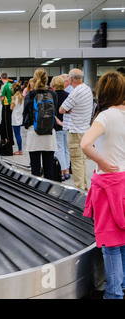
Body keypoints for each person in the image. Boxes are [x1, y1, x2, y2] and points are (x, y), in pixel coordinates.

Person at [80, 71, 125, 299]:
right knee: (124, 239)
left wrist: (103, 162)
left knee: (110, 244)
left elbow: (85, 144)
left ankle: (114, 293)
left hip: (110, 186)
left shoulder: (105, 117)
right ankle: (122, 286)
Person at [59, 68, 93, 191]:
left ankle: (79, 190)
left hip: (74, 131)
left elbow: (61, 109)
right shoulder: (87, 89)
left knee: (76, 161)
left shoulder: (76, 92)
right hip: (84, 130)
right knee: (82, 160)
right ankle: (84, 187)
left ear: (71, 79)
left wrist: (68, 109)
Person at [23, 68, 58, 180]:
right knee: (49, 168)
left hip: (34, 132)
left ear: (34, 80)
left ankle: (36, 192)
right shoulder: (53, 94)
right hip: (49, 133)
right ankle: (48, 192)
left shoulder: (31, 94)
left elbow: (26, 113)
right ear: (47, 79)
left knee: (35, 168)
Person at [51, 76, 71, 181]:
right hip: (68, 125)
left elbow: (52, 112)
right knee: (66, 149)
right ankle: (67, 170)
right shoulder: (68, 95)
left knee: (59, 149)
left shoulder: (53, 96)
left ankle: (62, 171)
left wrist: (58, 121)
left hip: (58, 125)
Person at [0, 73, 14, 155]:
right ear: (8, 77)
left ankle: (8, 141)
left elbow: (1, 98)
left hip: (6, 106)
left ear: (1, 78)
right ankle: (11, 140)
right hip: (11, 106)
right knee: (10, 124)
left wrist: (0, 92)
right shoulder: (11, 85)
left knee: (6, 124)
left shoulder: (5, 86)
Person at [10, 82, 24, 156]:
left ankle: (20, 150)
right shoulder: (21, 97)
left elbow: (11, 107)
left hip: (15, 118)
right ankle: (20, 149)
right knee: (18, 134)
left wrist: (11, 100)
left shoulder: (15, 97)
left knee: (17, 135)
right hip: (19, 117)